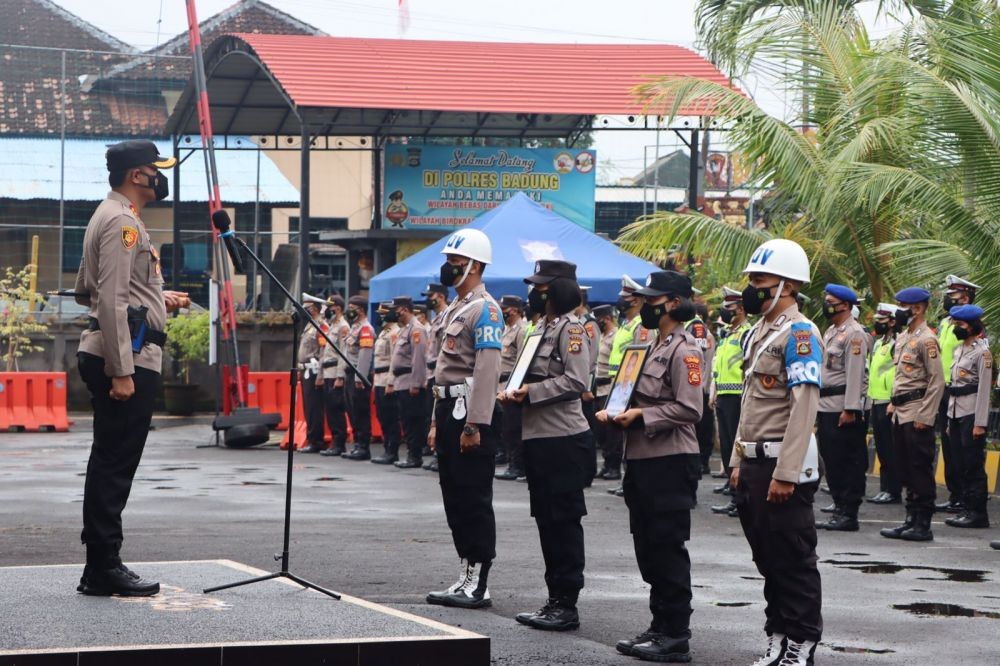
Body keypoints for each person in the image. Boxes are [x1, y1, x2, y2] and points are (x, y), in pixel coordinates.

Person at [74, 139, 189, 596]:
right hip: (126, 358)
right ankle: (104, 566)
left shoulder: (114, 215)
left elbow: (91, 288)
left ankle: (99, 565)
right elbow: (108, 297)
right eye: (156, 170)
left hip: (123, 352)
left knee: (111, 459)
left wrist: (157, 297)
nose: (161, 177)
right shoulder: (123, 222)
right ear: (137, 175)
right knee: (114, 463)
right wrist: (122, 370)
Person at [598, 271, 704, 662]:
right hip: (641, 457)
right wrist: (617, 411)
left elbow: (691, 408)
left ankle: (676, 634)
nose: (644, 305)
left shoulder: (685, 350)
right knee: (646, 545)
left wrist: (641, 416)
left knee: (666, 545)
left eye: (652, 299)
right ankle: (660, 624)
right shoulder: (649, 345)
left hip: (671, 459)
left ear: (673, 302)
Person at [729, 239, 824, 666]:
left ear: (786, 285)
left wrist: (786, 473)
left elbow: (803, 407)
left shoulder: (802, 334)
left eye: (760, 281)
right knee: (767, 558)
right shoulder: (759, 332)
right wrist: (736, 461)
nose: (752, 288)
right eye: (751, 279)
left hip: (781, 466)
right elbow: (749, 404)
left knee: (793, 557)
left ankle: (802, 642)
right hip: (752, 462)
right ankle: (779, 632)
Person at [502, 260, 592, 632]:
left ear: (558, 290)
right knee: (546, 521)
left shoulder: (572, 329)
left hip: (563, 439)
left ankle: (566, 603)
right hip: (538, 436)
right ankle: (554, 598)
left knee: (562, 523)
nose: (536, 293)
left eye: (542, 287)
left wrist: (530, 393)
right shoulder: (542, 327)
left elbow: (576, 380)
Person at [424, 228, 503, 609]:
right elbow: (442, 371)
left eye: (455, 263)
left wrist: (475, 424)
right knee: (454, 498)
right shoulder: (456, 307)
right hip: (448, 408)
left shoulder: (486, 309)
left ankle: (479, 582)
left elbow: (487, 372)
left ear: (473, 266)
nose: (448, 268)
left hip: (471, 413)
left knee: (473, 498)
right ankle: (464, 575)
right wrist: (437, 422)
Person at [880, 287, 946, 542]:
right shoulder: (904, 337)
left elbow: (936, 381)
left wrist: (925, 416)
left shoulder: (927, 340)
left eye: (902, 306)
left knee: (919, 469)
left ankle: (923, 524)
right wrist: (894, 404)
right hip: (901, 412)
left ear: (917, 308)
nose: (898, 310)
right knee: (905, 468)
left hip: (917, 413)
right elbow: (903, 377)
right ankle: (910, 519)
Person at [815, 284, 870, 532]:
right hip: (825, 405)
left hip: (842, 408)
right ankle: (839, 507)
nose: (827, 305)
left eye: (831, 301)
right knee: (832, 459)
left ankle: (849, 513)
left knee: (848, 460)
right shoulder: (830, 332)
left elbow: (856, 374)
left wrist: (850, 409)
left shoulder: (854, 334)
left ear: (845, 305)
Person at [943, 304, 992, 529]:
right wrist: (948, 418)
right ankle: (965, 508)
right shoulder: (959, 350)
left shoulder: (982, 353)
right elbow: (954, 385)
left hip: (972, 413)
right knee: (960, 463)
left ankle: (977, 512)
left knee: (973, 465)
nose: (956, 329)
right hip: (956, 412)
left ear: (972, 326)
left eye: (960, 325)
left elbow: (983, 391)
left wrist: (980, 423)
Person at [935, 275, 981, 514]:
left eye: (954, 297)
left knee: (964, 447)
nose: (949, 300)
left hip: (962, 390)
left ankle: (966, 496)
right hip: (944, 388)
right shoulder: (946, 323)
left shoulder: (972, 326)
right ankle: (955, 494)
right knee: (949, 444)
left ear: (966, 297)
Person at [710, 286, 752, 517]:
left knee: (737, 448)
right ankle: (733, 490)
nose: (726, 312)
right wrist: (714, 391)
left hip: (738, 397)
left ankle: (740, 498)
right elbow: (719, 367)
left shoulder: (746, 333)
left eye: (730, 308)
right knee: (726, 447)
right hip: (725, 396)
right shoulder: (728, 335)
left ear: (742, 309)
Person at [388, 296, 430, 469]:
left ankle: (415, 456)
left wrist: (416, 383)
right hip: (401, 381)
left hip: (409, 382)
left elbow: (418, 359)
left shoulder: (416, 330)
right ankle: (412, 454)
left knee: (414, 421)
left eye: (395, 309)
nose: (393, 312)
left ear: (404, 309)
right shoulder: (405, 329)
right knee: (406, 420)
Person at [866, 303, 902, 504]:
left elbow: (900, 374)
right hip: (875, 398)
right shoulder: (880, 343)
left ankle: (893, 490)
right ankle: (884, 488)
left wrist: (894, 400)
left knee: (890, 447)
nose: (878, 324)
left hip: (888, 401)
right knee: (882, 447)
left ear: (892, 322)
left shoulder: (896, 343)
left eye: (882, 320)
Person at [496, 295, 527, 481]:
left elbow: (522, 362)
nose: (502, 311)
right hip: (501, 384)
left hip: (512, 385)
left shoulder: (521, 330)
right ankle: (510, 462)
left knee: (514, 428)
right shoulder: (507, 330)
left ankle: (517, 466)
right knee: (506, 428)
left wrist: (515, 388)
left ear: (514, 310)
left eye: (505, 308)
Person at [342, 295, 375, 461]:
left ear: (360, 310)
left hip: (358, 375)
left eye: (352, 308)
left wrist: (360, 377)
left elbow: (365, 355)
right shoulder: (354, 328)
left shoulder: (366, 329)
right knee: (352, 410)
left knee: (361, 412)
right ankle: (356, 444)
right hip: (349, 373)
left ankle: (363, 446)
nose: (349, 311)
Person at [422, 282, 450, 471]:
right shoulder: (436, 319)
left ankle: (442, 455)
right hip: (432, 372)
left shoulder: (448, 317)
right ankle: (436, 453)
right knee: (431, 415)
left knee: (440, 415)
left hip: (441, 372)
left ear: (440, 296)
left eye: (430, 296)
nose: (428, 300)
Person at [296, 294, 328, 453]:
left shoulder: (321, 325)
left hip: (314, 371)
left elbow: (323, 352)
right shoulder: (310, 324)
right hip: (306, 369)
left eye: (307, 308)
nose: (304, 311)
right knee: (308, 407)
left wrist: (321, 375)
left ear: (315, 309)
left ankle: (316, 440)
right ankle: (312, 438)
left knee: (314, 408)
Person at [319, 294, 351, 456]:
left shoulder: (343, 327)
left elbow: (343, 353)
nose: (327, 310)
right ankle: (334, 441)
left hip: (335, 373)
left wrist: (340, 376)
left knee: (336, 410)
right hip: (327, 372)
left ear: (337, 308)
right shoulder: (332, 325)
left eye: (330, 307)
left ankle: (339, 443)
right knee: (330, 410)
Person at [371, 302, 402, 464]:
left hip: (388, 380)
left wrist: (391, 382)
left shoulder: (395, 333)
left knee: (391, 417)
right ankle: (386, 448)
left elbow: (394, 360)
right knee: (382, 416)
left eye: (383, 314)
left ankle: (392, 450)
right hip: (379, 379)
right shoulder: (384, 333)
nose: (380, 317)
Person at [592, 304, 621, 480]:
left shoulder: (616, 336)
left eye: (599, 319)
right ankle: (606, 463)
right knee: (601, 432)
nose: (597, 323)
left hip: (610, 387)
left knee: (613, 433)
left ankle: (614, 466)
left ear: (607, 318)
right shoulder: (601, 337)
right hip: (598, 388)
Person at [687, 303, 716, 475]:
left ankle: (702, 461)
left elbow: (697, 359)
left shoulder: (699, 330)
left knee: (702, 428)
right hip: (701, 387)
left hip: (701, 388)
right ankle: (701, 461)